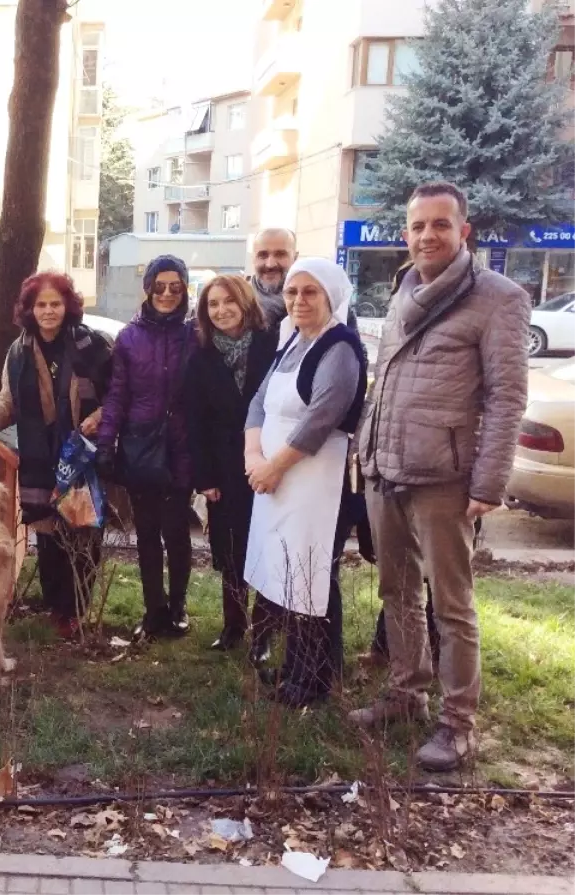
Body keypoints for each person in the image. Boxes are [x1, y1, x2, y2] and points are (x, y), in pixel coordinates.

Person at [351, 182, 530, 771]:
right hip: (386, 471)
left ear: (463, 232)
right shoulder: (404, 292)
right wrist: (366, 451)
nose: (428, 235)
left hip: (445, 481)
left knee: (451, 605)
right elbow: (388, 384)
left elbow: (506, 398)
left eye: (440, 225)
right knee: (395, 592)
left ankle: (458, 725)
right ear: (406, 234)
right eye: (418, 226)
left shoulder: (497, 299)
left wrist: (487, 483)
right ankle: (405, 694)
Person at [243, 258, 367, 708]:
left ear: (331, 295)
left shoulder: (341, 348)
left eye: (310, 292)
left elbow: (321, 420)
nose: (298, 300)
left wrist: (274, 466)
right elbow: (259, 401)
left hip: (316, 483)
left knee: (313, 577)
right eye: (293, 292)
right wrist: (253, 456)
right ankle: (295, 667)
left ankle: (315, 679)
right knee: (288, 574)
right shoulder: (292, 341)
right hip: (277, 480)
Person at [0, 272, 114, 639]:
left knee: (82, 532)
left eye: (55, 303)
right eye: (41, 305)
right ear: (30, 309)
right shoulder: (18, 352)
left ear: (68, 306)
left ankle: (77, 608)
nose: (49, 311)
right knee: (49, 537)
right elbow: (7, 403)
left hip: (80, 457)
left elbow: (118, 395)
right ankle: (57, 608)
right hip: (39, 459)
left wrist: (100, 417)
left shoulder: (92, 345)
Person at [97, 255, 198, 642]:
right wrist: (107, 442)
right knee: (147, 532)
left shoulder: (195, 335)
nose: (168, 293)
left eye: (176, 286)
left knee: (177, 530)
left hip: (181, 447)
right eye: (160, 286)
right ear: (149, 288)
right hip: (140, 446)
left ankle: (178, 606)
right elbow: (117, 394)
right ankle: (153, 608)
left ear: (184, 289)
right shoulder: (129, 337)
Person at [186, 274, 278, 661]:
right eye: (212, 304)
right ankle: (233, 626)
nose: (221, 310)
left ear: (244, 303)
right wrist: (204, 478)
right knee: (231, 549)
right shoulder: (202, 355)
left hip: (270, 461)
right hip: (224, 467)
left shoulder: (272, 344)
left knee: (269, 547)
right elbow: (196, 423)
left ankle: (265, 634)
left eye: (228, 302)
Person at [249, 228, 299, 327]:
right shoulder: (236, 302)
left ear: (295, 258)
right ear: (253, 259)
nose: (270, 264)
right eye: (263, 255)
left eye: (280, 255)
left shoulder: (311, 305)